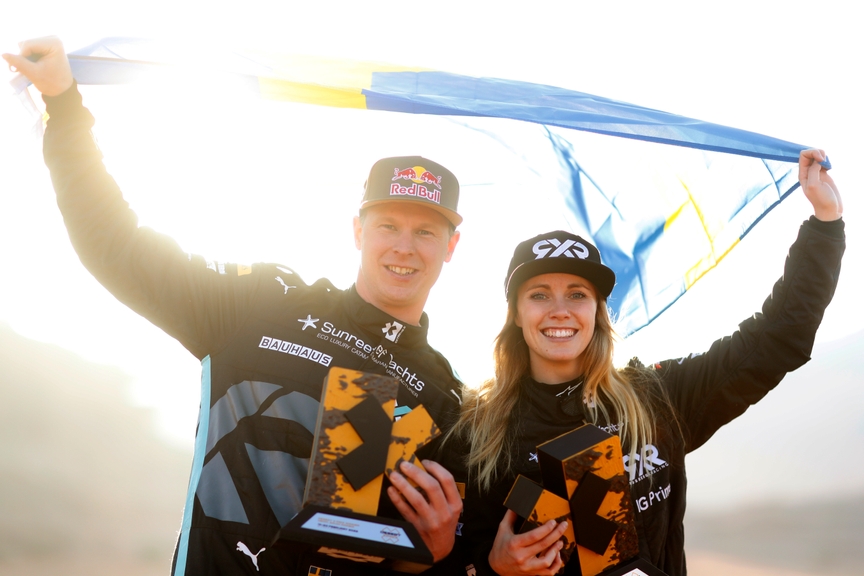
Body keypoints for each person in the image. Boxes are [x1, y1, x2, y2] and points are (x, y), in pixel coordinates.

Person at [3, 37, 465, 575]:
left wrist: (436, 555)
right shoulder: (261, 304)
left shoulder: (446, 397)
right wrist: (64, 106)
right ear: (357, 230)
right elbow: (117, 247)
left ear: (451, 247)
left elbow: (437, 558)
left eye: (425, 232)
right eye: (388, 225)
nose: (404, 248)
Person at [440, 149, 844, 576]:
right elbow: (439, 560)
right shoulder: (476, 432)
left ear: (598, 311)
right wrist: (492, 567)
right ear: (517, 314)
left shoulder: (656, 399)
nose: (559, 310)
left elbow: (777, 338)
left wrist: (825, 225)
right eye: (539, 293)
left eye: (577, 294)